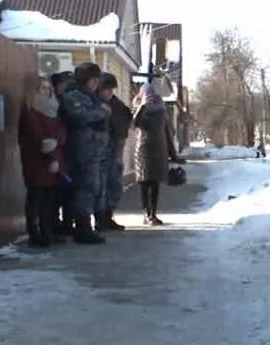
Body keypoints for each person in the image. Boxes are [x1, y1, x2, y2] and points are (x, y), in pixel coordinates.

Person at [60, 63, 110, 244]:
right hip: (82, 151)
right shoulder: (74, 96)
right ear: (89, 80)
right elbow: (79, 116)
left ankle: (83, 224)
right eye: (95, 80)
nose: (97, 84)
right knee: (84, 188)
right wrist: (100, 113)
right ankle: (82, 227)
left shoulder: (90, 97)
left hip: (92, 151)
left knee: (91, 187)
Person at [17, 77, 67, 247]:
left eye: (48, 88)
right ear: (35, 91)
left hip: (53, 161)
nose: (46, 92)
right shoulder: (30, 110)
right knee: (35, 198)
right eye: (42, 88)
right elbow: (37, 136)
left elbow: (61, 130)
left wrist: (57, 142)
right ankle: (34, 234)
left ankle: (47, 232)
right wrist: (51, 154)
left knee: (49, 200)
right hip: (36, 160)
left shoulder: (54, 108)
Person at [131, 81, 182, 225]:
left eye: (151, 94)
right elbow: (135, 123)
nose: (150, 97)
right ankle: (146, 213)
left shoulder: (161, 109)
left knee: (155, 184)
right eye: (147, 94)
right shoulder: (138, 107)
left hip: (160, 150)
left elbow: (167, 133)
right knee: (144, 183)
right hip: (143, 152)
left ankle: (153, 213)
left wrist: (174, 155)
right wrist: (142, 106)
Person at [95, 73, 133, 232]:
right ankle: (100, 218)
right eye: (106, 89)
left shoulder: (116, 105)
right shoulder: (95, 103)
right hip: (101, 150)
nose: (109, 92)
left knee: (114, 184)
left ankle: (107, 216)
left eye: (110, 89)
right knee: (99, 185)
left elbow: (126, 119)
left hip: (114, 148)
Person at [48, 71, 75, 239]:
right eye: (65, 84)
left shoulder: (65, 102)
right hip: (58, 152)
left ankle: (65, 224)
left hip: (68, 151)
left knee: (67, 191)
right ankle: (55, 224)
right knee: (55, 192)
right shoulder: (54, 104)